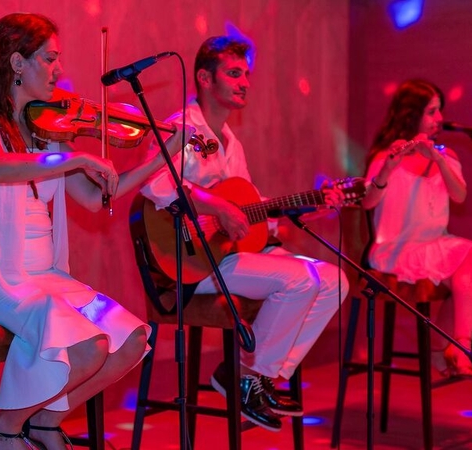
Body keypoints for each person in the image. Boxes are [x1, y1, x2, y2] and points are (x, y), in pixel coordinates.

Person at [0, 13, 192, 450]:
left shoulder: (47, 130)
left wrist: (160, 159)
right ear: (17, 63)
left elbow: (96, 198)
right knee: (89, 344)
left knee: (130, 339)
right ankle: (5, 427)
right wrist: (73, 158)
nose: (59, 70)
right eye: (50, 58)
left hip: (44, 277)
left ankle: (44, 422)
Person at [139, 36, 350, 432]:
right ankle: (246, 376)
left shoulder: (232, 143)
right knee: (301, 280)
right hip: (191, 262)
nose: (245, 83)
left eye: (247, 75)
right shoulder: (180, 127)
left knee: (334, 280)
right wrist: (217, 207)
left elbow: (248, 210)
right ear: (205, 78)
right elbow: (155, 184)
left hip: (230, 256)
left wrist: (308, 206)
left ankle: (255, 375)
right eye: (234, 73)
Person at [360, 78, 472, 378]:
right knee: (465, 279)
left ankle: (459, 347)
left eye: (439, 110)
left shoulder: (447, 156)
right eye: (431, 112)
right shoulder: (385, 156)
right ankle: (443, 353)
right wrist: (388, 168)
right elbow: (367, 203)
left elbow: (459, 195)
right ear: (411, 114)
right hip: (394, 250)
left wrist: (439, 160)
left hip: (434, 245)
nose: (439, 118)